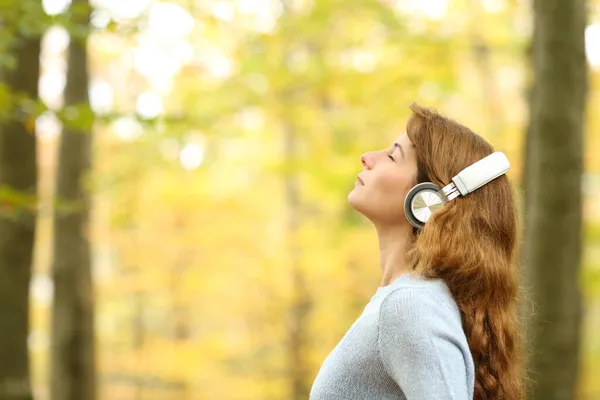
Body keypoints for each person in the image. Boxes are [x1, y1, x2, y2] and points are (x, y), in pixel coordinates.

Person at [309, 104, 525, 400]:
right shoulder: (403, 302)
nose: (367, 158)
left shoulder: (409, 306)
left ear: (429, 200)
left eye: (392, 156)